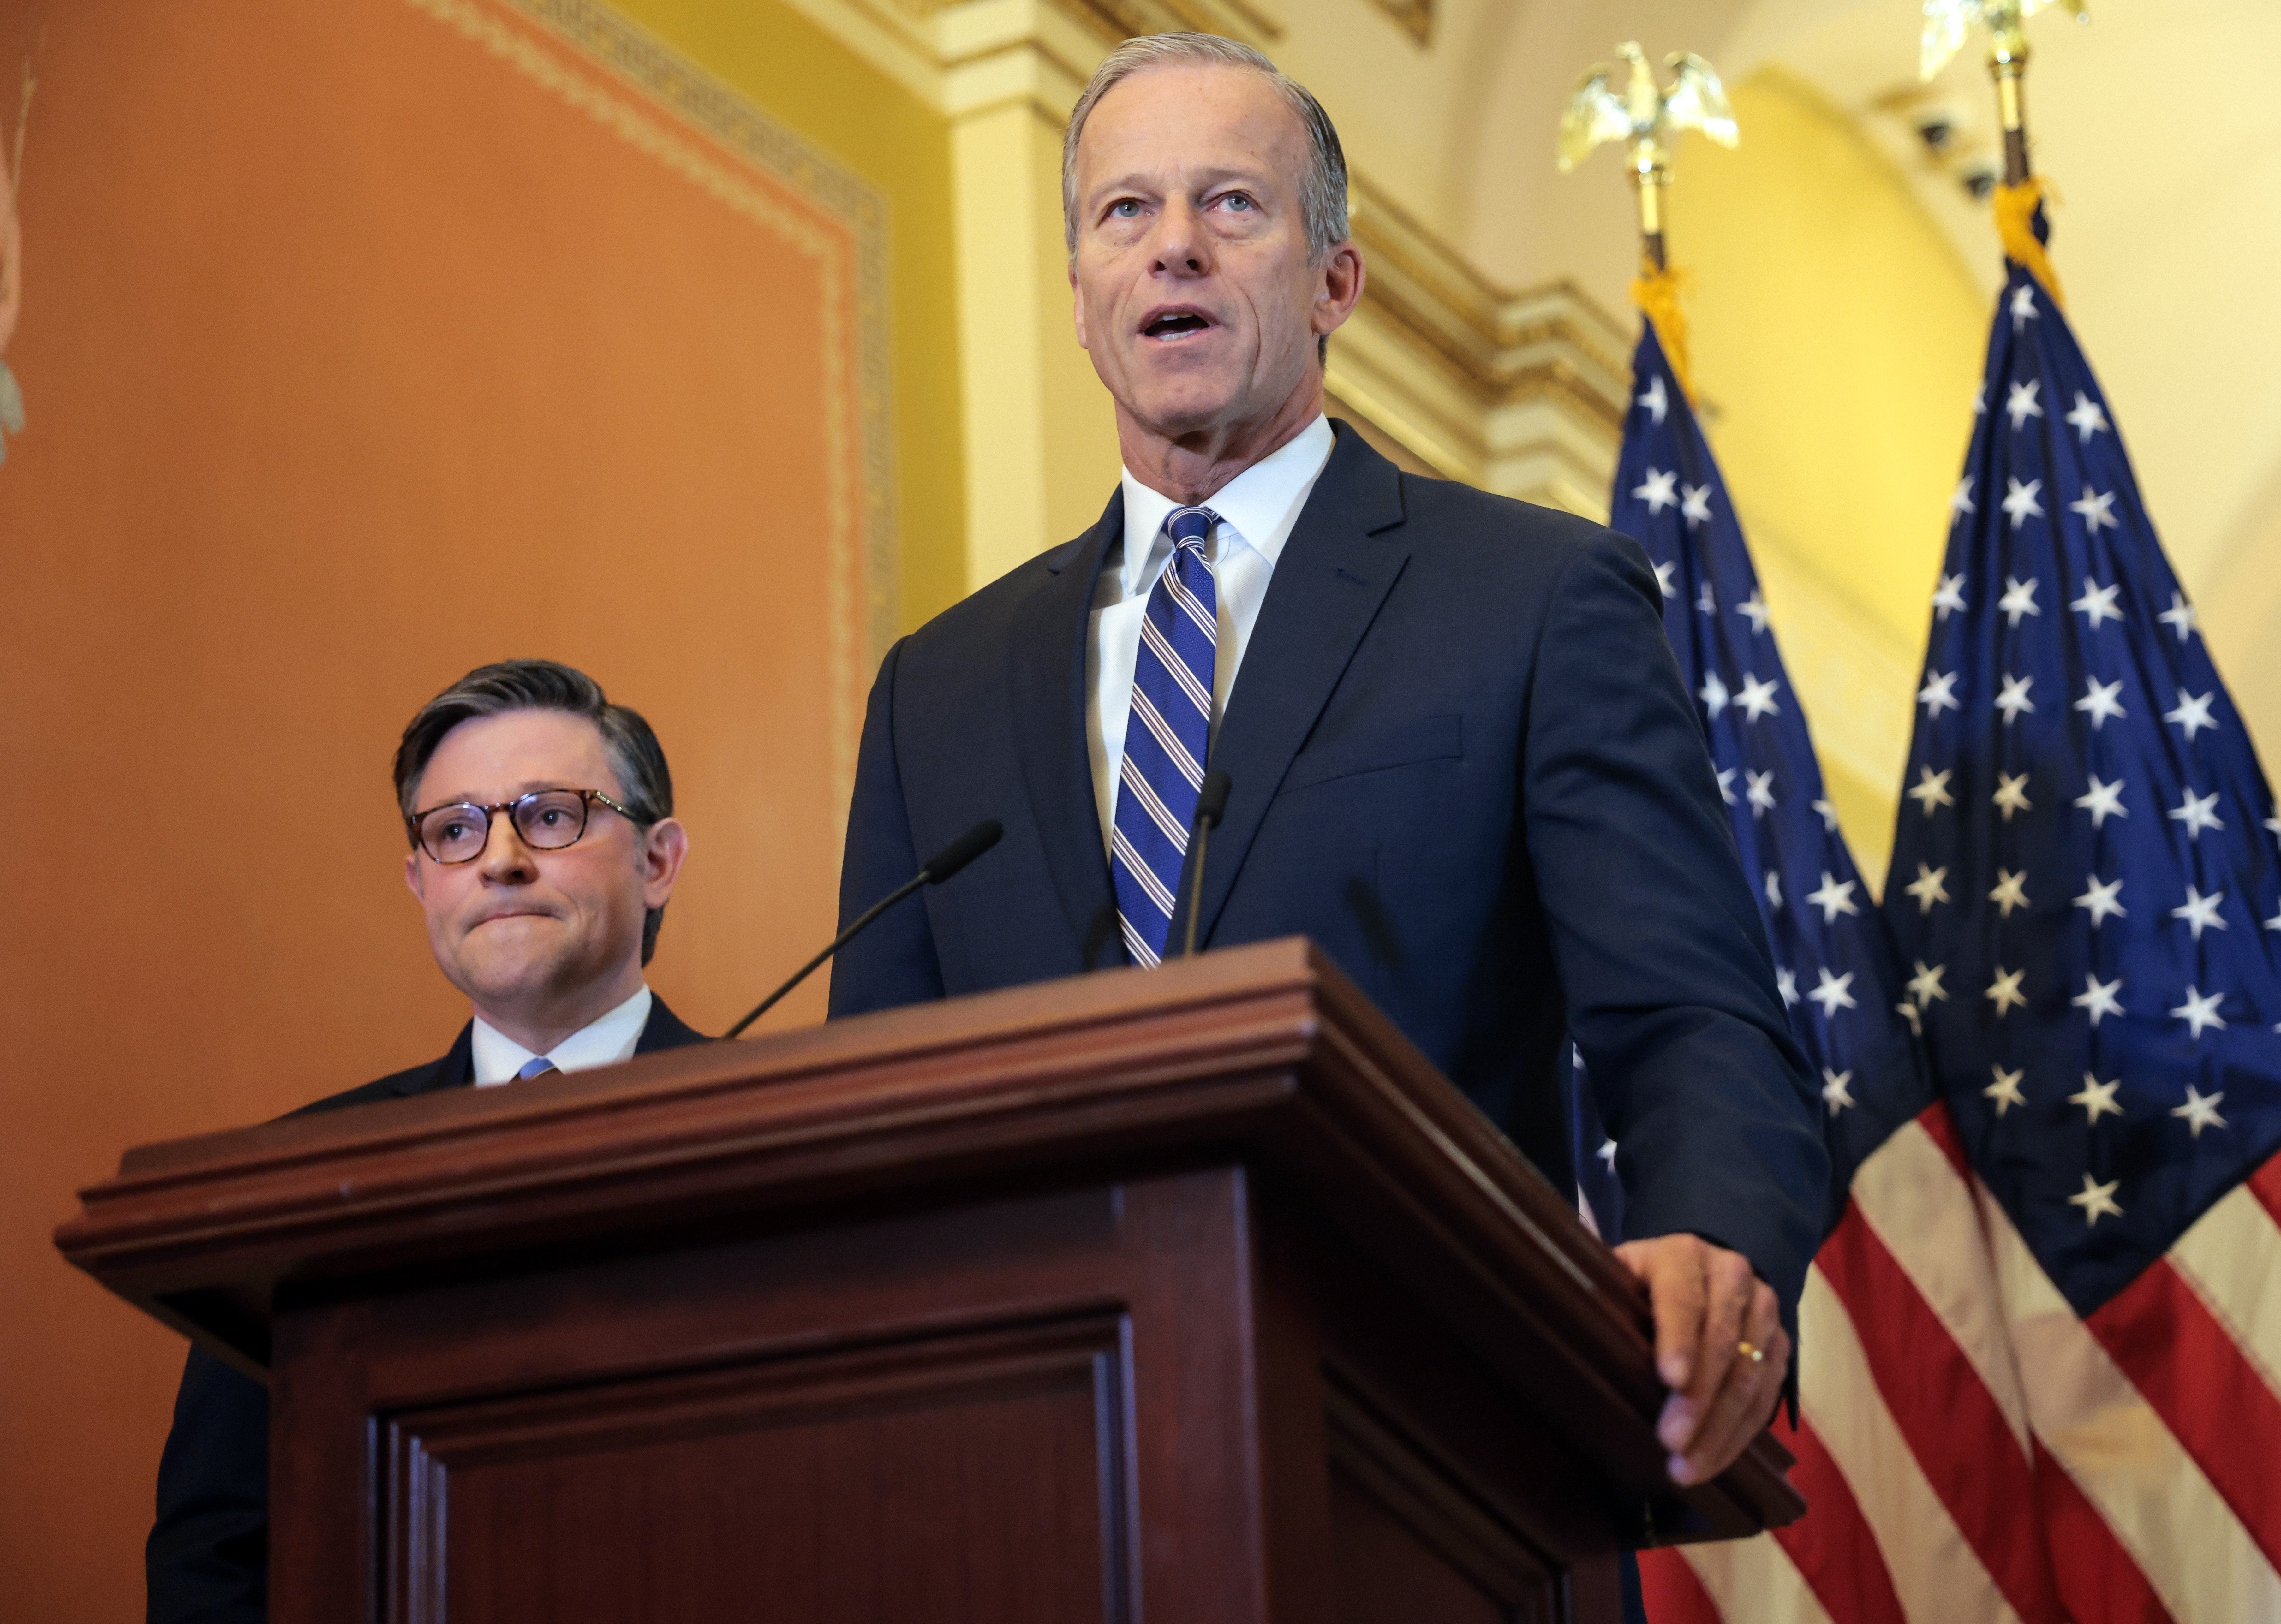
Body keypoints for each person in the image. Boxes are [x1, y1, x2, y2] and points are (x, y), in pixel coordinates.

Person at [828, 30, 1826, 1587]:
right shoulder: (934, 690)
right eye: (1124, 213)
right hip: (1033, 1503)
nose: (1172, 244)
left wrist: (1717, 1244)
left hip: (1437, 1463)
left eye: (1233, 204)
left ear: (1334, 284)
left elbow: (1693, 1016)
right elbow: (877, 1111)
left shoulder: (1533, 597)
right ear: (1085, 301)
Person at [146, 659, 707, 1623]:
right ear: (419, 883)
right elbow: (217, 1560)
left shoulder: (787, 1132)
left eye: (549, 815)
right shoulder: (301, 1175)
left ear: (657, 861)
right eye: (455, 830)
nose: (499, 860)